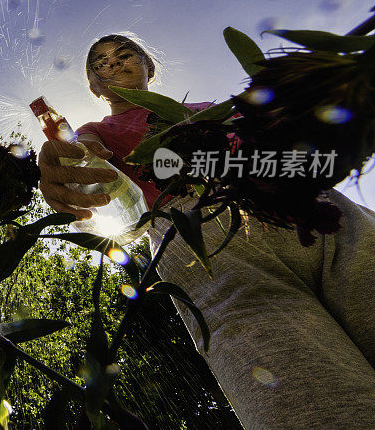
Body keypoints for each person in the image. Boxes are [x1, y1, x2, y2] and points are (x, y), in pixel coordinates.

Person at [38, 34, 375, 429]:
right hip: (204, 238)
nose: (113, 64)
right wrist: (61, 159)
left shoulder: (210, 110)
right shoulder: (97, 128)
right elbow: (82, 154)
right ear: (94, 87)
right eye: (100, 63)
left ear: (149, 65)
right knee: (306, 396)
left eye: (124, 54)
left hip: (316, 212)